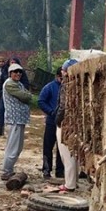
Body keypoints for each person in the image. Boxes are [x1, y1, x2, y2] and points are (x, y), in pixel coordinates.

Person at [1, 62, 32, 180]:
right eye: (15, 71)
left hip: (20, 120)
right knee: (13, 147)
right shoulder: (10, 84)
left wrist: (27, 95)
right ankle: (6, 171)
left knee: (18, 147)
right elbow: (26, 96)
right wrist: (28, 95)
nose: (18, 74)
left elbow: (27, 95)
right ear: (10, 73)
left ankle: (9, 170)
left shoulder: (18, 84)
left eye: (20, 72)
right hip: (14, 120)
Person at [56, 59, 80, 192]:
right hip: (76, 123)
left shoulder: (67, 84)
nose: (62, 71)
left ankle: (69, 184)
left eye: (64, 69)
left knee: (66, 153)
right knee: (74, 153)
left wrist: (57, 120)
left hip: (65, 123)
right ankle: (74, 181)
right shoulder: (81, 83)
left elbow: (63, 106)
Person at [38, 67, 64, 180]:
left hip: (64, 123)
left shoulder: (68, 87)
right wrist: (51, 112)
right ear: (57, 76)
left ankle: (60, 171)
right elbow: (41, 101)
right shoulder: (50, 87)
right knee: (48, 147)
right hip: (51, 122)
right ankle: (46, 170)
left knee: (61, 148)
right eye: (62, 77)